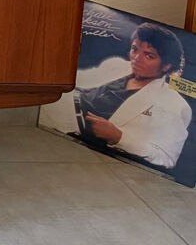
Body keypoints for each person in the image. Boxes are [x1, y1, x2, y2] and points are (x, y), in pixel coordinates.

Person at [68, 23, 191, 169]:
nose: (137, 58)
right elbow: (78, 80)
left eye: (149, 55)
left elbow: (167, 159)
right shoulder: (117, 65)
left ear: (166, 66)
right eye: (134, 49)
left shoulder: (176, 105)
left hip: (98, 160)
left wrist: (119, 137)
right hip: (64, 129)